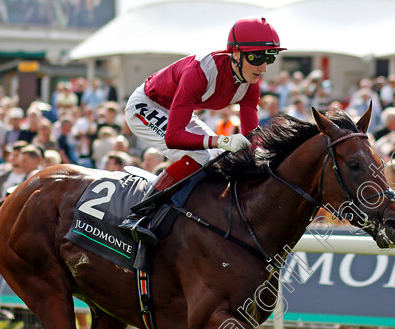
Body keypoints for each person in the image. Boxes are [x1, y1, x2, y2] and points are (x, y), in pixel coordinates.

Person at [118, 17, 285, 245]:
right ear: (236, 54)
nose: (264, 68)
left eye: (270, 58)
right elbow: (174, 137)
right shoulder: (199, 72)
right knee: (200, 155)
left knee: (218, 159)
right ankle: (140, 215)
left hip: (176, 110)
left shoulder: (251, 84)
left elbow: (250, 139)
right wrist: (221, 140)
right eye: (258, 57)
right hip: (145, 105)